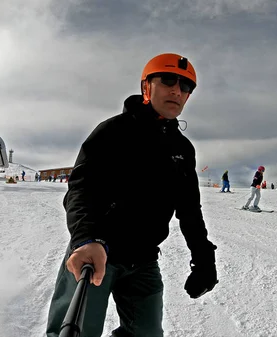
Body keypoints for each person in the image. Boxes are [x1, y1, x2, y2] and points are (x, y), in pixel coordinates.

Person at [45, 53, 218, 337]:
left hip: (143, 260)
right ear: (146, 87)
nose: (177, 90)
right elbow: (81, 188)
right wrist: (85, 240)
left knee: (147, 333)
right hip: (98, 251)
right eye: (168, 80)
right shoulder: (114, 131)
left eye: (185, 86)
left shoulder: (182, 149)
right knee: (76, 332)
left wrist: (203, 259)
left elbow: (189, 209)